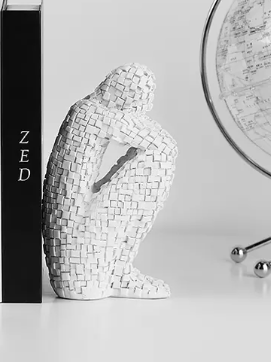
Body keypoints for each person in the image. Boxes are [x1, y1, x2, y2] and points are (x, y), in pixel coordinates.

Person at [42, 63, 177, 299]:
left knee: (160, 154)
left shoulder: (85, 109)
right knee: (162, 155)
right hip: (75, 243)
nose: (142, 107)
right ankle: (117, 270)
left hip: (74, 238)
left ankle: (118, 269)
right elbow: (161, 142)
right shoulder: (90, 112)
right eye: (140, 97)